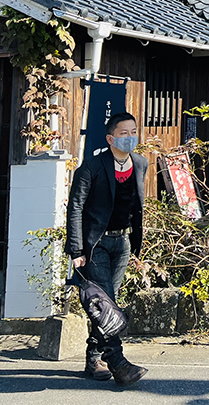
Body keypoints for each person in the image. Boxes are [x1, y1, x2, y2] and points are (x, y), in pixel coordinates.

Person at [66, 112, 148, 386]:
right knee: (105, 307)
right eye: (124, 133)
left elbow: (137, 206)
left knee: (104, 307)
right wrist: (77, 250)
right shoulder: (91, 168)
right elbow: (75, 208)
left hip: (122, 243)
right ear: (111, 138)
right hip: (96, 244)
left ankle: (93, 358)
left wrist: (137, 245)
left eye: (133, 131)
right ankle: (119, 364)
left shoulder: (140, 163)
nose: (130, 137)